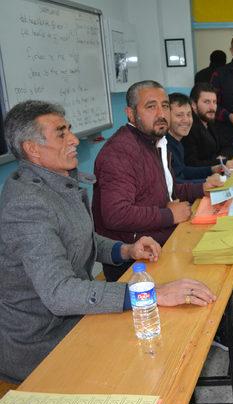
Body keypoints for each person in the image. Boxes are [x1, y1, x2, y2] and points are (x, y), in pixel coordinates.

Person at [0, 100, 215, 383]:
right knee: (142, 362)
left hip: (72, 320)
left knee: (162, 340)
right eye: (62, 133)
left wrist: (125, 249)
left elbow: (81, 237)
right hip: (40, 342)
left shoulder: (57, 183)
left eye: (70, 130)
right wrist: (149, 294)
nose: (74, 139)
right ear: (32, 149)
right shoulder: (27, 206)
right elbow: (60, 293)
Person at [92, 80, 218, 282]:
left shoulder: (156, 142)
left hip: (163, 241)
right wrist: (169, 215)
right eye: (151, 107)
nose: (161, 114)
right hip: (135, 265)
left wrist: (201, 188)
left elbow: (167, 189)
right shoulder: (120, 153)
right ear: (131, 114)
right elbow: (116, 215)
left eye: (165, 106)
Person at [167, 92, 233, 183]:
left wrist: (213, 169)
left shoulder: (176, 142)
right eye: (179, 115)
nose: (186, 120)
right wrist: (207, 181)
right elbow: (175, 185)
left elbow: (183, 171)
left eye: (189, 114)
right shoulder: (165, 147)